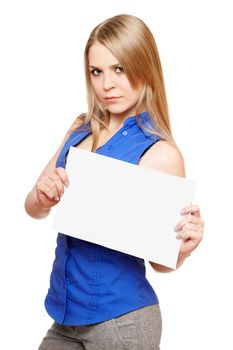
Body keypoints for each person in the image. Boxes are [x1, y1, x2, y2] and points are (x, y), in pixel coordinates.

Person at [24, 13, 204, 350]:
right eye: (97, 71)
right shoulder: (79, 129)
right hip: (64, 317)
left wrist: (182, 250)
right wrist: (42, 195)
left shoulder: (159, 153)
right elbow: (33, 208)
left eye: (119, 69)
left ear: (144, 67)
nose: (107, 84)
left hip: (123, 322)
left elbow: (161, 263)